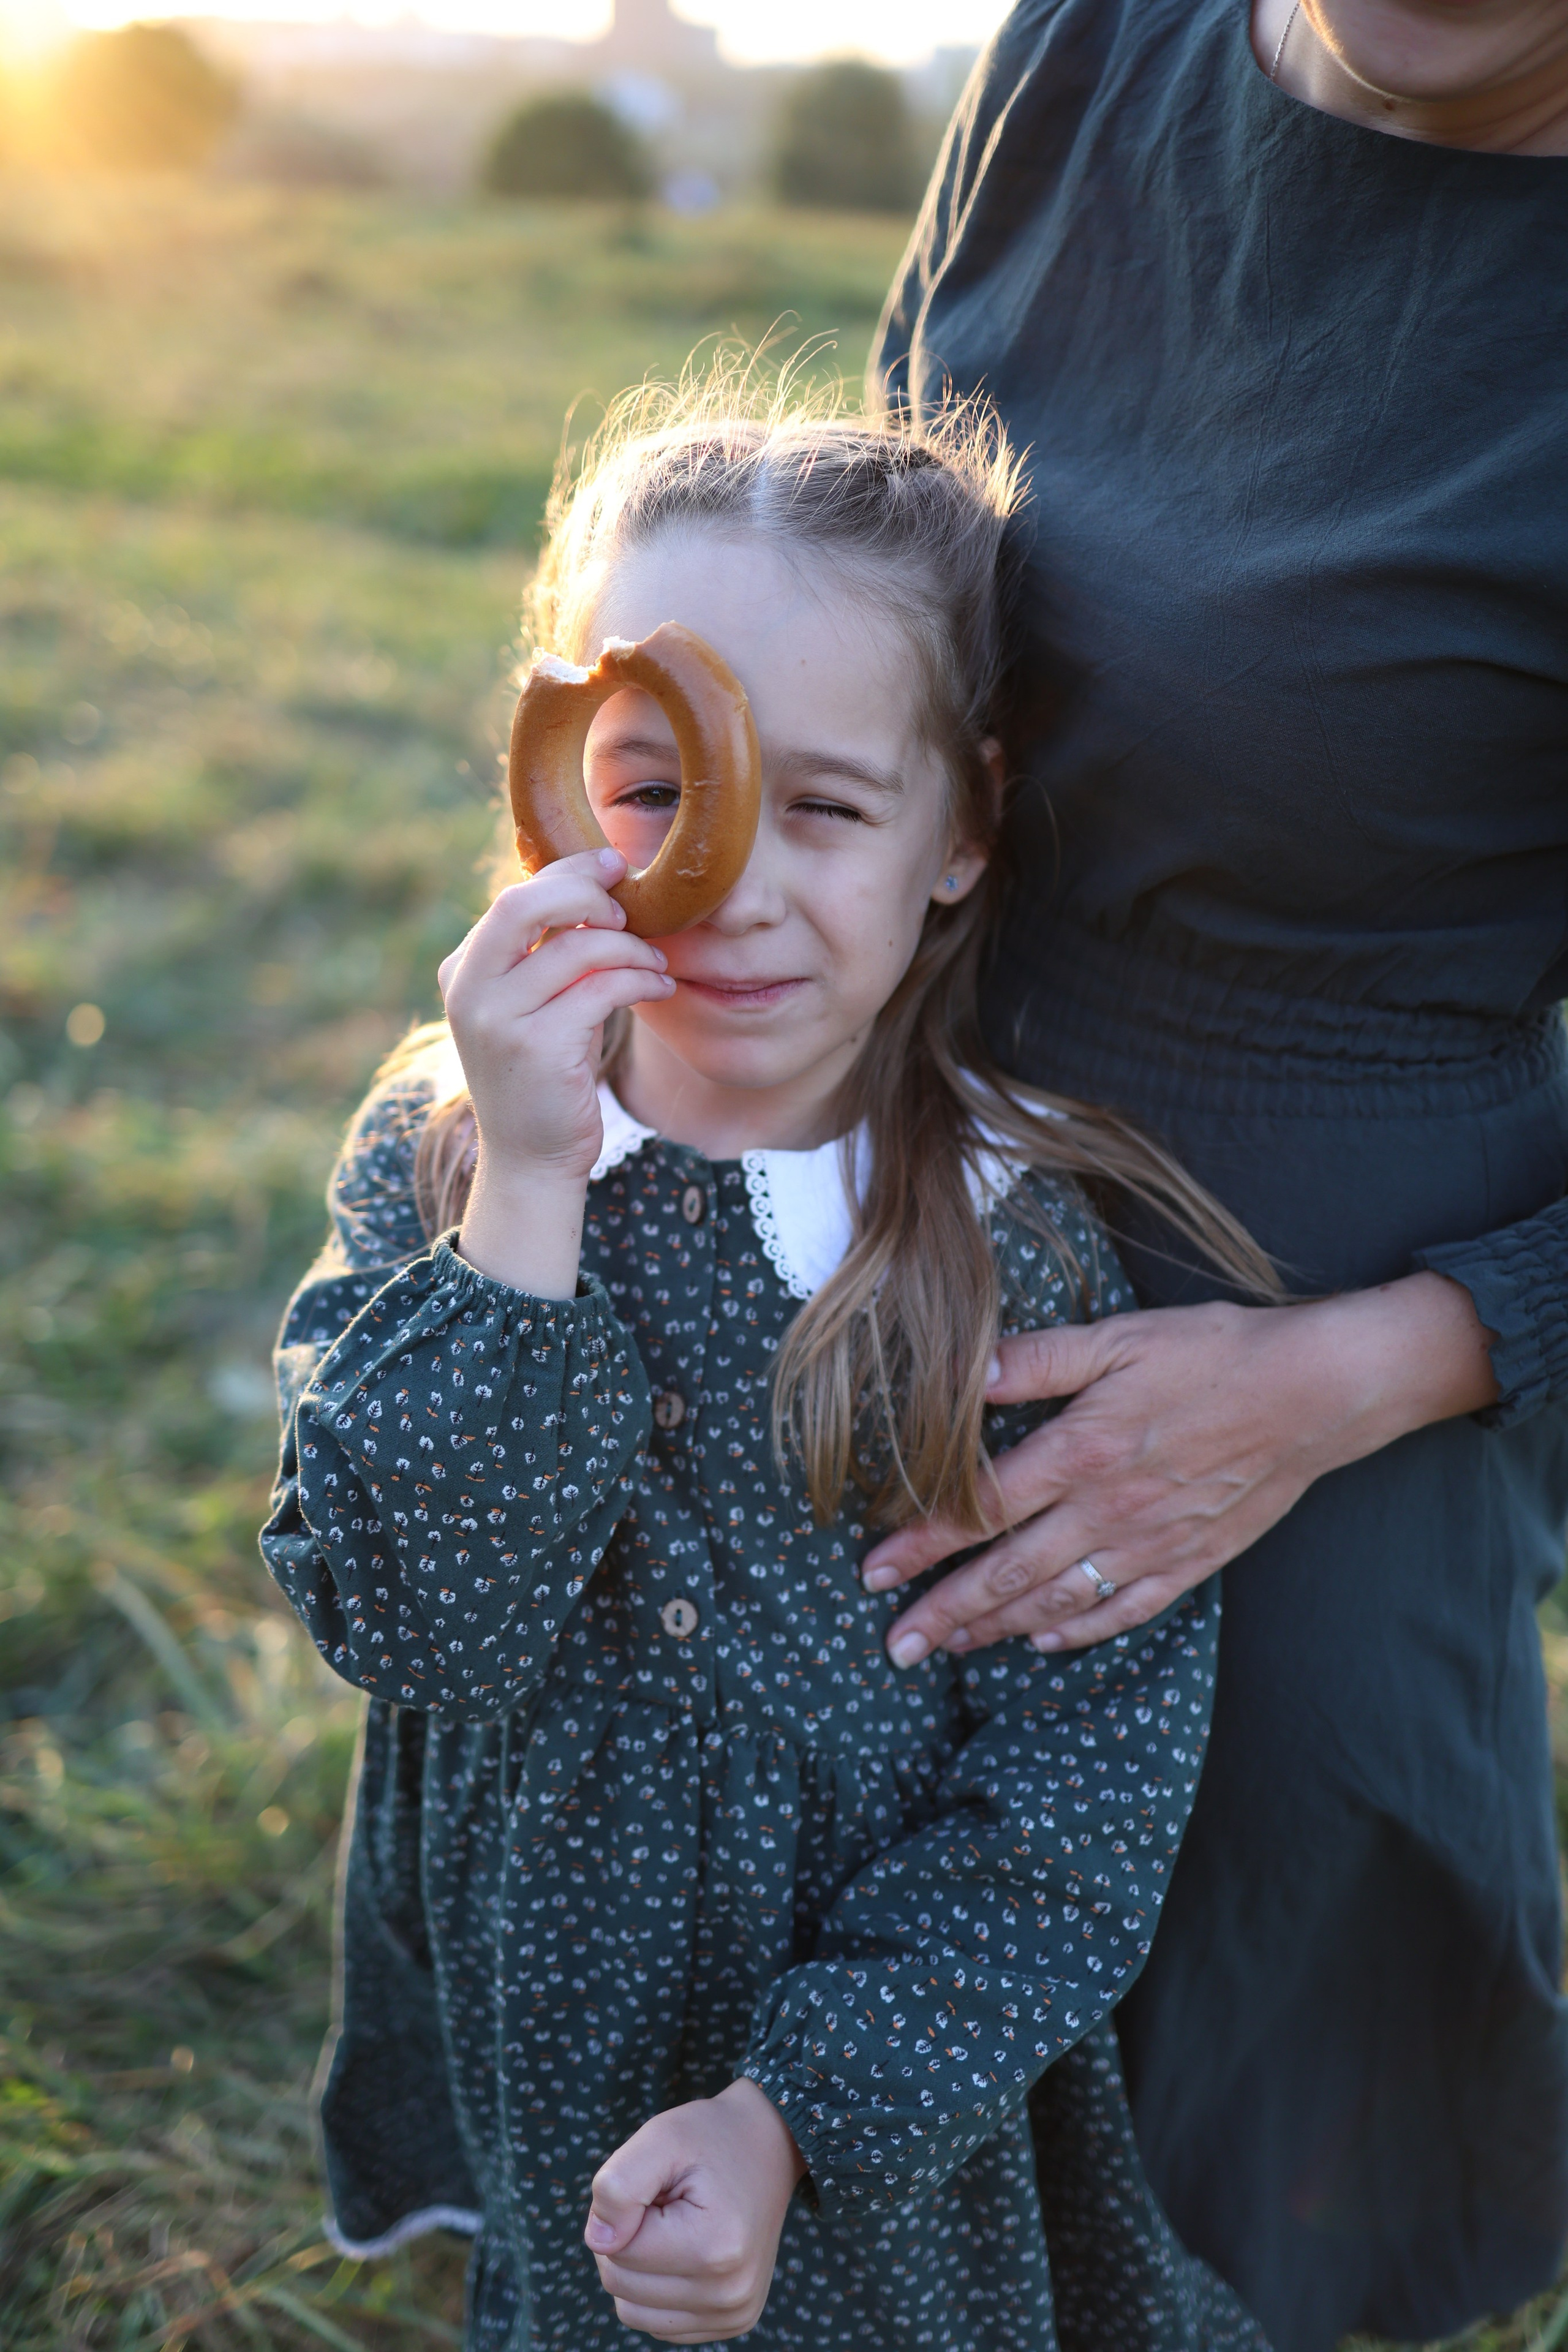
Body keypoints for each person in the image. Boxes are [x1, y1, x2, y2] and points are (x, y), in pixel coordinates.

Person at [262, 382, 1284, 2348]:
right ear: (550, 778)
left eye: (820, 807)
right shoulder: (448, 1150)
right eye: (656, 790)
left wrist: (800, 2113)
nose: (725, 881)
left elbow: (1081, 1796)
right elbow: (413, 1623)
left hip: (875, 2073)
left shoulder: (1011, 1242)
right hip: (540, 1982)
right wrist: (533, 1195)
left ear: (965, 834)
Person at [866, 4, 1568, 2346]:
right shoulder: (1090, 39)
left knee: (1246, 2119)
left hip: (1345, 1302)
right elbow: (866, 595)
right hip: (893, 1120)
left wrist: (1334, 1385)